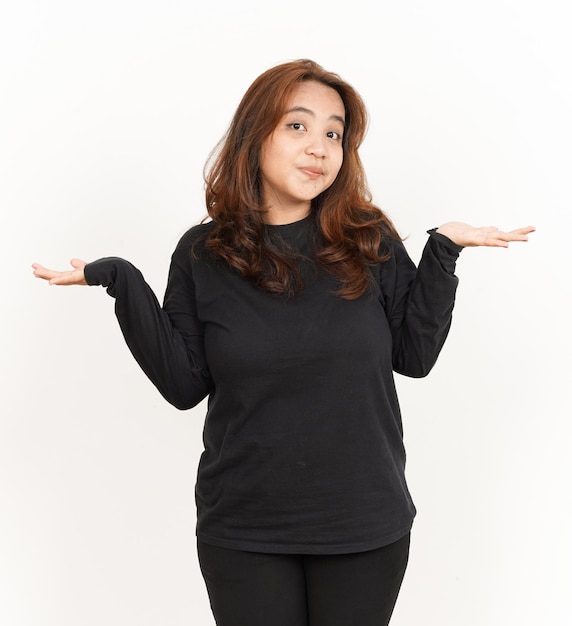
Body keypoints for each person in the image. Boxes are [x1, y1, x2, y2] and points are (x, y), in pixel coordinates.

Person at [32, 59, 534, 626]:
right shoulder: (203, 254)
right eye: (297, 126)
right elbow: (182, 386)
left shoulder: (368, 240)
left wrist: (442, 252)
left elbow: (413, 359)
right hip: (244, 529)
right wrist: (121, 279)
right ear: (256, 135)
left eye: (333, 133)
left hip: (363, 526)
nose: (319, 147)